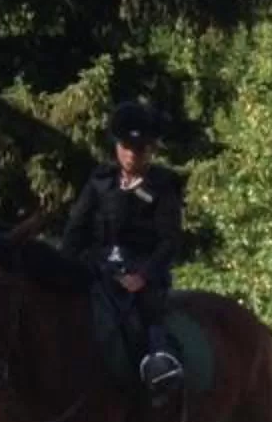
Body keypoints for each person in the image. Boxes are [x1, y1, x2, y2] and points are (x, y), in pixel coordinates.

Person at [61, 98, 188, 398]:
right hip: (97, 267)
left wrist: (142, 276)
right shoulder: (99, 182)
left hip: (141, 274)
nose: (131, 155)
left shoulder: (163, 187)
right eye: (126, 147)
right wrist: (66, 265)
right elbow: (75, 230)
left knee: (147, 309)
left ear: (150, 150)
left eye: (139, 149)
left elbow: (170, 240)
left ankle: (159, 365)